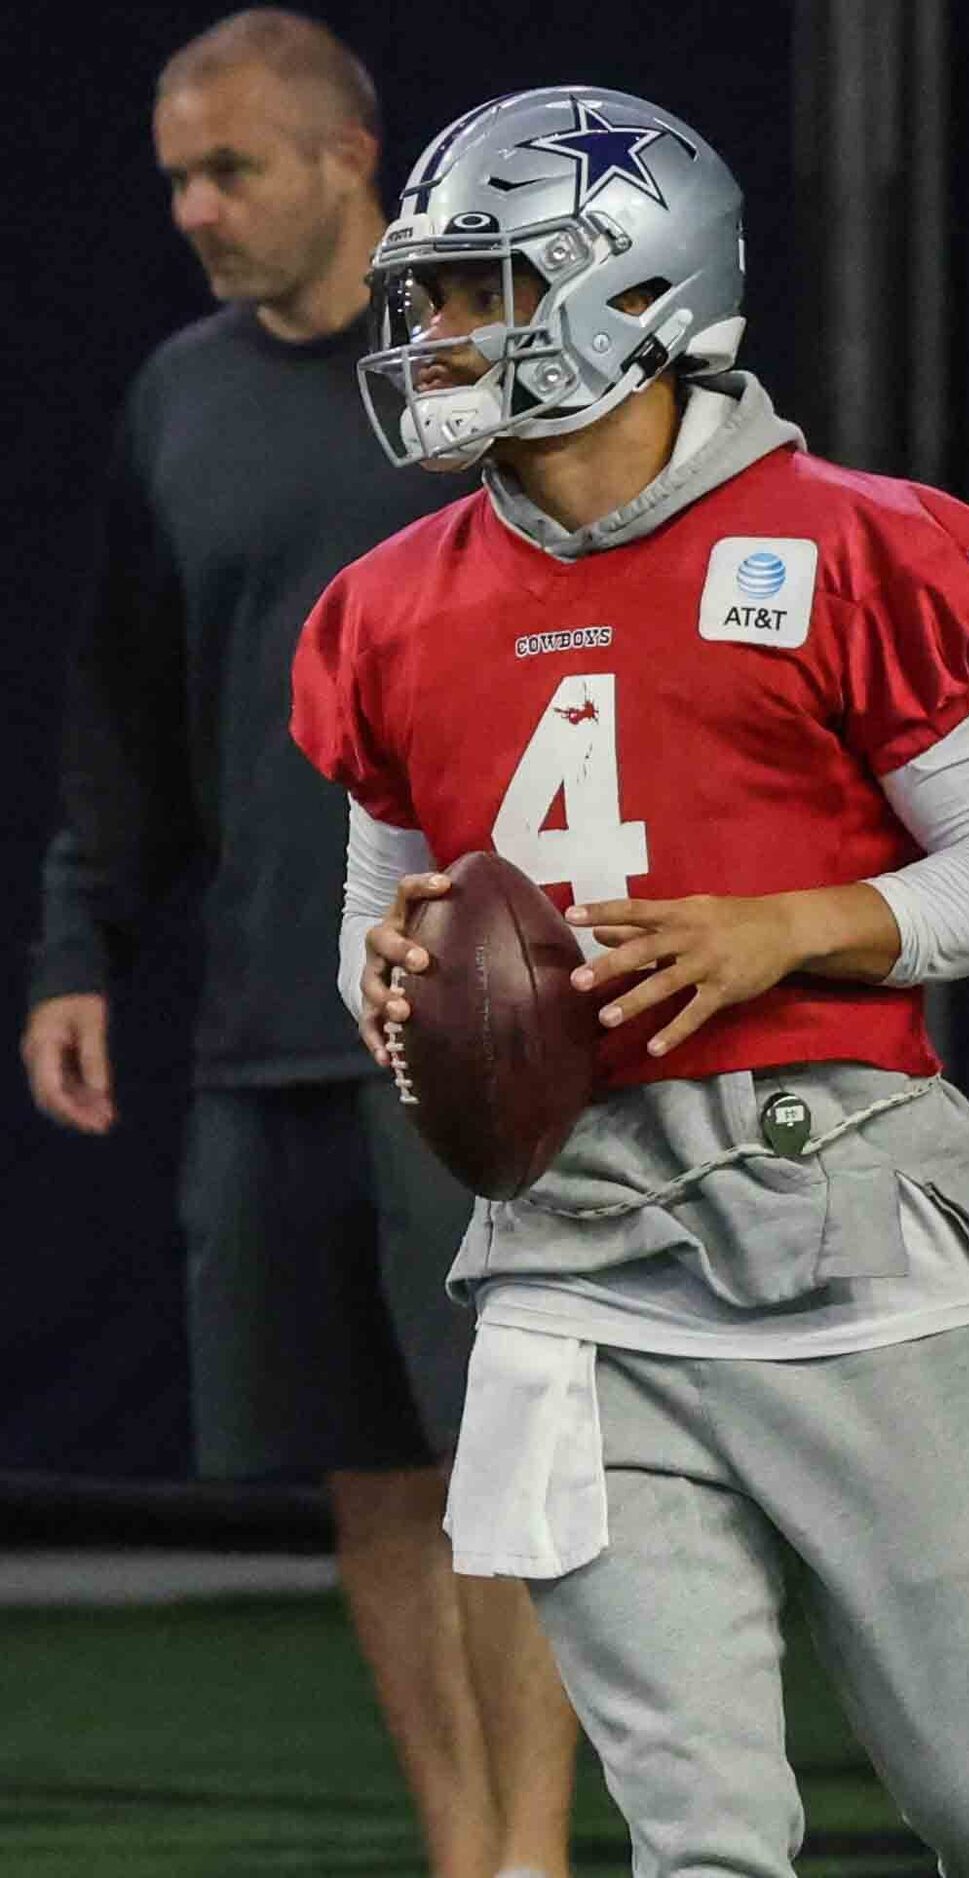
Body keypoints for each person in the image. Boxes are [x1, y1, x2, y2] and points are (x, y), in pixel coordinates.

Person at [291, 84, 969, 1877]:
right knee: (698, 1835)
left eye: (481, 290)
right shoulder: (388, 606)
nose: (434, 338)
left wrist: (794, 923)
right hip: (570, 1256)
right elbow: (380, 933)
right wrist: (391, 982)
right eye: (430, 297)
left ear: (629, 292)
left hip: (835, 1222)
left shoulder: (844, 542)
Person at [21, 21, 578, 1878]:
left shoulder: (490, 373)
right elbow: (125, 697)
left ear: (354, 158)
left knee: (516, 1459)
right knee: (371, 1478)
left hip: (491, 1029)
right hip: (268, 1020)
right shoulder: (175, 399)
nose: (193, 211)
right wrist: (77, 941)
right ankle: (457, 1854)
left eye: (230, 170)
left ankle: (536, 1855)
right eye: (175, 176)